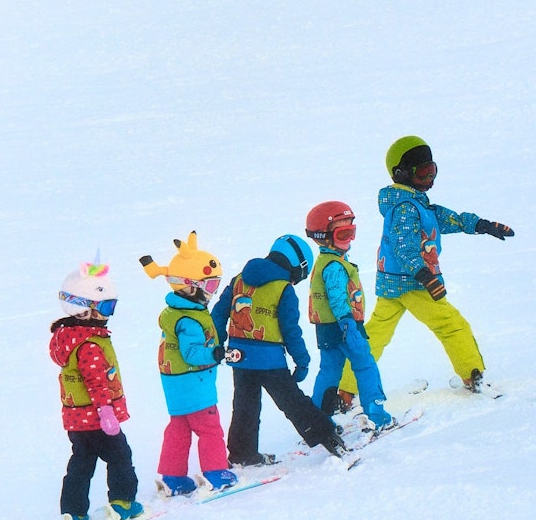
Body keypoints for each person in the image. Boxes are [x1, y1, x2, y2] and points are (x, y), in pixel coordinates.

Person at [334, 136, 515, 408]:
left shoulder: (415, 203)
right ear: (401, 173)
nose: (429, 178)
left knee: (376, 334)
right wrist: (424, 275)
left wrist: (481, 225)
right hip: (414, 283)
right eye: (422, 172)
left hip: (392, 282)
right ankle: (473, 375)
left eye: (432, 170)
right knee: (451, 325)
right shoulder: (406, 208)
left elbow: (447, 218)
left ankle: (346, 389)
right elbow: (404, 246)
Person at [211, 234, 349, 464]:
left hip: (239, 357)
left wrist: (216, 344)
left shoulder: (239, 280)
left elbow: (218, 313)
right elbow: (290, 330)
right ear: (296, 266)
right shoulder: (284, 289)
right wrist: (302, 361)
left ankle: (243, 453)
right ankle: (327, 436)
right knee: (292, 401)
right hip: (270, 360)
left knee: (244, 406)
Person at [140, 231, 238, 495]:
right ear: (189, 286)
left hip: (175, 385)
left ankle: (173, 477)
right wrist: (215, 354)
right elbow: (192, 353)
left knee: (179, 428)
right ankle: (216, 473)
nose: (212, 293)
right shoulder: (189, 320)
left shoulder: (175, 313)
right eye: (209, 286)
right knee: (210, 429)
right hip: (194, 383)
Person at [50, 258, 143, 520]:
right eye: (104, 307)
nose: (108, 314)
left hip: (76, 419)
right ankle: (123, 504)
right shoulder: (90, 344)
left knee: (81, 463)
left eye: (111, 306)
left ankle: (74, 512)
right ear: (82, 310)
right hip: (98, 418)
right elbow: (97, 382)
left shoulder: (69, 338)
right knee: (120, 457)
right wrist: (106, 412)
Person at [305, 201, 393, 428]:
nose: (350, 239)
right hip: (345, 326)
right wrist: (347, 324)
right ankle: (376, 415)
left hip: (327, 329)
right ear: (323, 237)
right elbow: (337, 298)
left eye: (352, 232)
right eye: (343, 234)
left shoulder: (325, 261)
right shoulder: (334, 266)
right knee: (365, 365)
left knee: (329, 371)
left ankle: (318, 420)